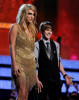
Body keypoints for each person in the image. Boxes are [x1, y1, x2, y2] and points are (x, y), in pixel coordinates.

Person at [34, 21, 74, 100]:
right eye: (47, 30)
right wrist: (36, 80)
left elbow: (58, 61)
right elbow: (33, 64)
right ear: (42, 31)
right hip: (43, 81)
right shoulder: (37, 45)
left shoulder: (56, 44)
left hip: (55, 80)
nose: (49, 32)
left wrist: (65, 75)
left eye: (51, 30)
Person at [9, 4, 39, 100]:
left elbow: (31, 51)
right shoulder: (15, 27)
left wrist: (35, 71)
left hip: (30, 64)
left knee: (26, 95)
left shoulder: (33, 30)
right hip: (19, 62)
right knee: (21, 92)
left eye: (33, 14)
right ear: (23, 14)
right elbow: (12, 46)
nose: (32, 16)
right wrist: (14, 64)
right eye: (29, 14)